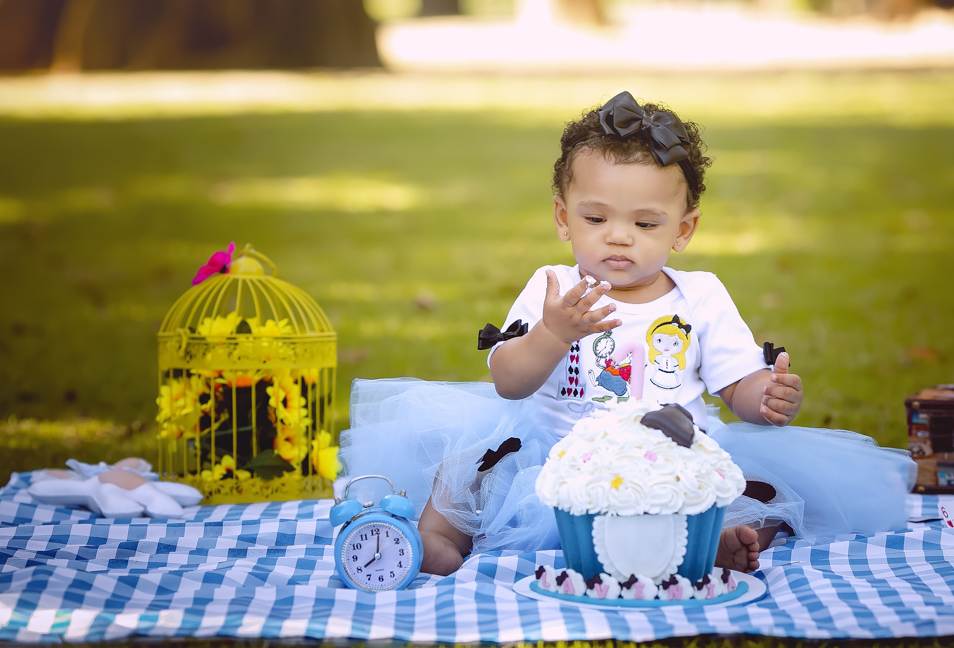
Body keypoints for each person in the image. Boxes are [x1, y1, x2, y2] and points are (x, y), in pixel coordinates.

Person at [339, 91, 916, 576]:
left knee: (750, 495)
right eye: (596, 219)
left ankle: (712, 544)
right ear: (564, 218)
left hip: (673, 455)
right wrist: (552, 333)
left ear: (682, 229)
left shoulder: (700, 296)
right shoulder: (553, 286)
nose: (619, 237)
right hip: (554, 454)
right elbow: (508, 382)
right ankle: (440, 542)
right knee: (465, 471)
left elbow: (736, 384)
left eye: (644, 223)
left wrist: (764, 396)